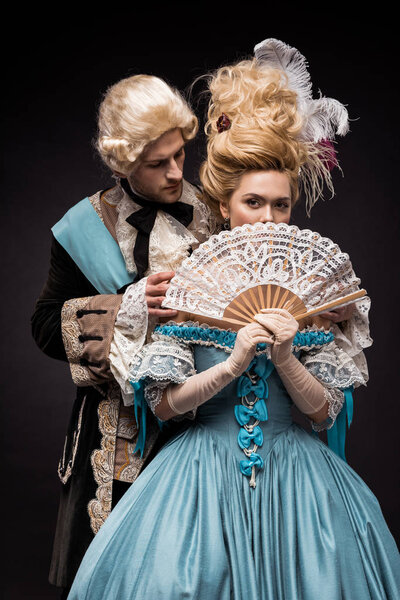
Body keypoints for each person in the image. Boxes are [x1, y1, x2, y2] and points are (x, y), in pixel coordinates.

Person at [67, 40, 400, 599]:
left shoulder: (313, 289)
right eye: (253, 203)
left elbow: (324, 414)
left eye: (281, 205)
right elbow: (164, 404)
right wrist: (233, 364)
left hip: (299, 478)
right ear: (224, 206)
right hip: (197, 473)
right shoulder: (193, 278)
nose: (268, 217)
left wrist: (288, 357)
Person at [31, 73, 216, 595]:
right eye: (158, 164)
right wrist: (125, 309)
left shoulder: (214, 217)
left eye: (181, 155)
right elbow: (44, 324)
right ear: (121, 163)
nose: (177, 172)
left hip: (195, 427)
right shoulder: (81, 226)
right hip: (111, 437)